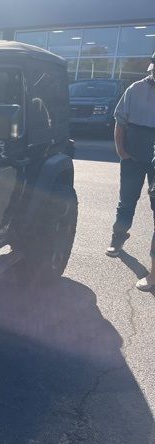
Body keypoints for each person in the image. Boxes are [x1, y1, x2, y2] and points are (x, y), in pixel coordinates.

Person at [106, 52, 155, 291]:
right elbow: (120, 121)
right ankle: (117, 240)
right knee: (126, 202)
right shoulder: (135, 89)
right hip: (133, 158)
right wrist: (121, 151)